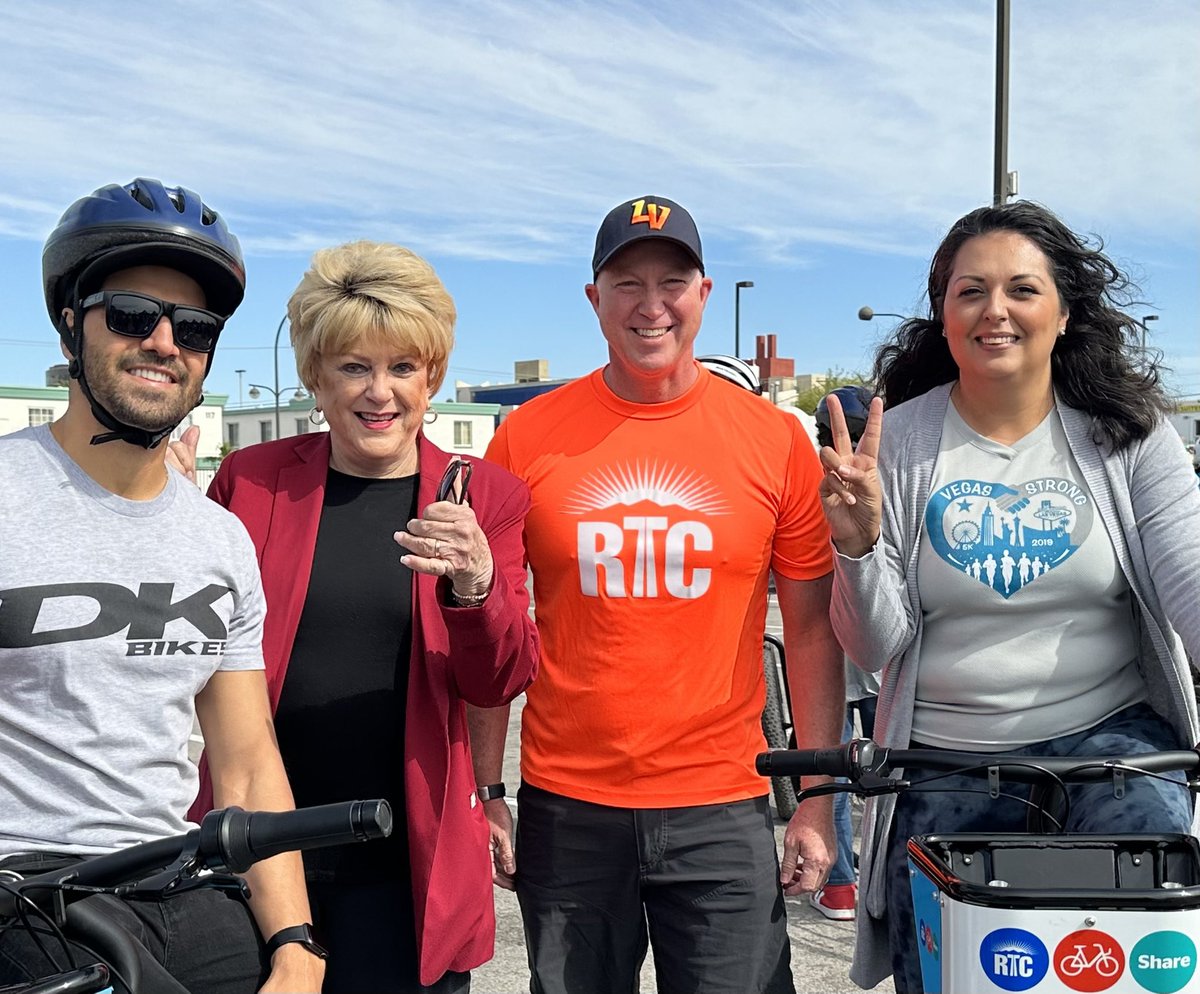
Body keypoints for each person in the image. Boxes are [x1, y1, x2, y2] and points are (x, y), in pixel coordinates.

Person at [816, 200, 1200, 992]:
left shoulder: (1130, 435)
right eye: (970, 292)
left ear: (1064, 313)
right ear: (944, 317)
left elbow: (1190, 582)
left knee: (1152, 929)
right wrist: (856, 544)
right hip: (945, 757)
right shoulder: (899, 445)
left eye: (1022, 290)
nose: (996, 311)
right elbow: (874, 646)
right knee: (936, 961)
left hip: (1108, 744)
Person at [469, 196, 845, 994]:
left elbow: (812, 633)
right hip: (569, 808)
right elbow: (490, 628)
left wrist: (816, 799)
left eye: (672, 281)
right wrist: (488, 793)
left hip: (722, 804)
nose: (651, 304)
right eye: (626, 282)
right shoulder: (526, 437)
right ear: (593, 299)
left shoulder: (774, 439)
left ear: (704, 294)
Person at [186, 240, 540, 993]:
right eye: (354, 367)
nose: (380, 393)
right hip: (259, 847)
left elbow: (500, 677)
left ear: (432, 378)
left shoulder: (487, 497)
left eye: (402, 368)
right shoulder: (253, 483)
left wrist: (477, 585)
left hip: (402, 860)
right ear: (316, 376)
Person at [0, 178, 322, 993]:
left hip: (179, 880)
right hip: (28, 891)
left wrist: (295, 942)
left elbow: (246, 762)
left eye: (195, 327)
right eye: (133, 315)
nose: (164, 342)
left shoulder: (218, 539)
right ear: (71, 324)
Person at [809, 386, 880, 923]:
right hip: (886, 653)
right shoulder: (889, 475)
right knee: (892, 773)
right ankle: (887, 872)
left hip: (831, 651)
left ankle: (839, 887)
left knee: (830, 772)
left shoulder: (810, 479)